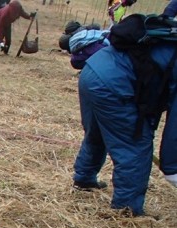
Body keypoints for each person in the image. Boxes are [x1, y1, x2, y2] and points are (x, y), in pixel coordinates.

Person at [72, 43, 177, 215]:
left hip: (92, 68)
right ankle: (127, 210)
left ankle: (84, 178)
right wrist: (172, 168)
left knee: (97, 133)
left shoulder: (169, 38)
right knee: (134, 145)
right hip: (114, 83)